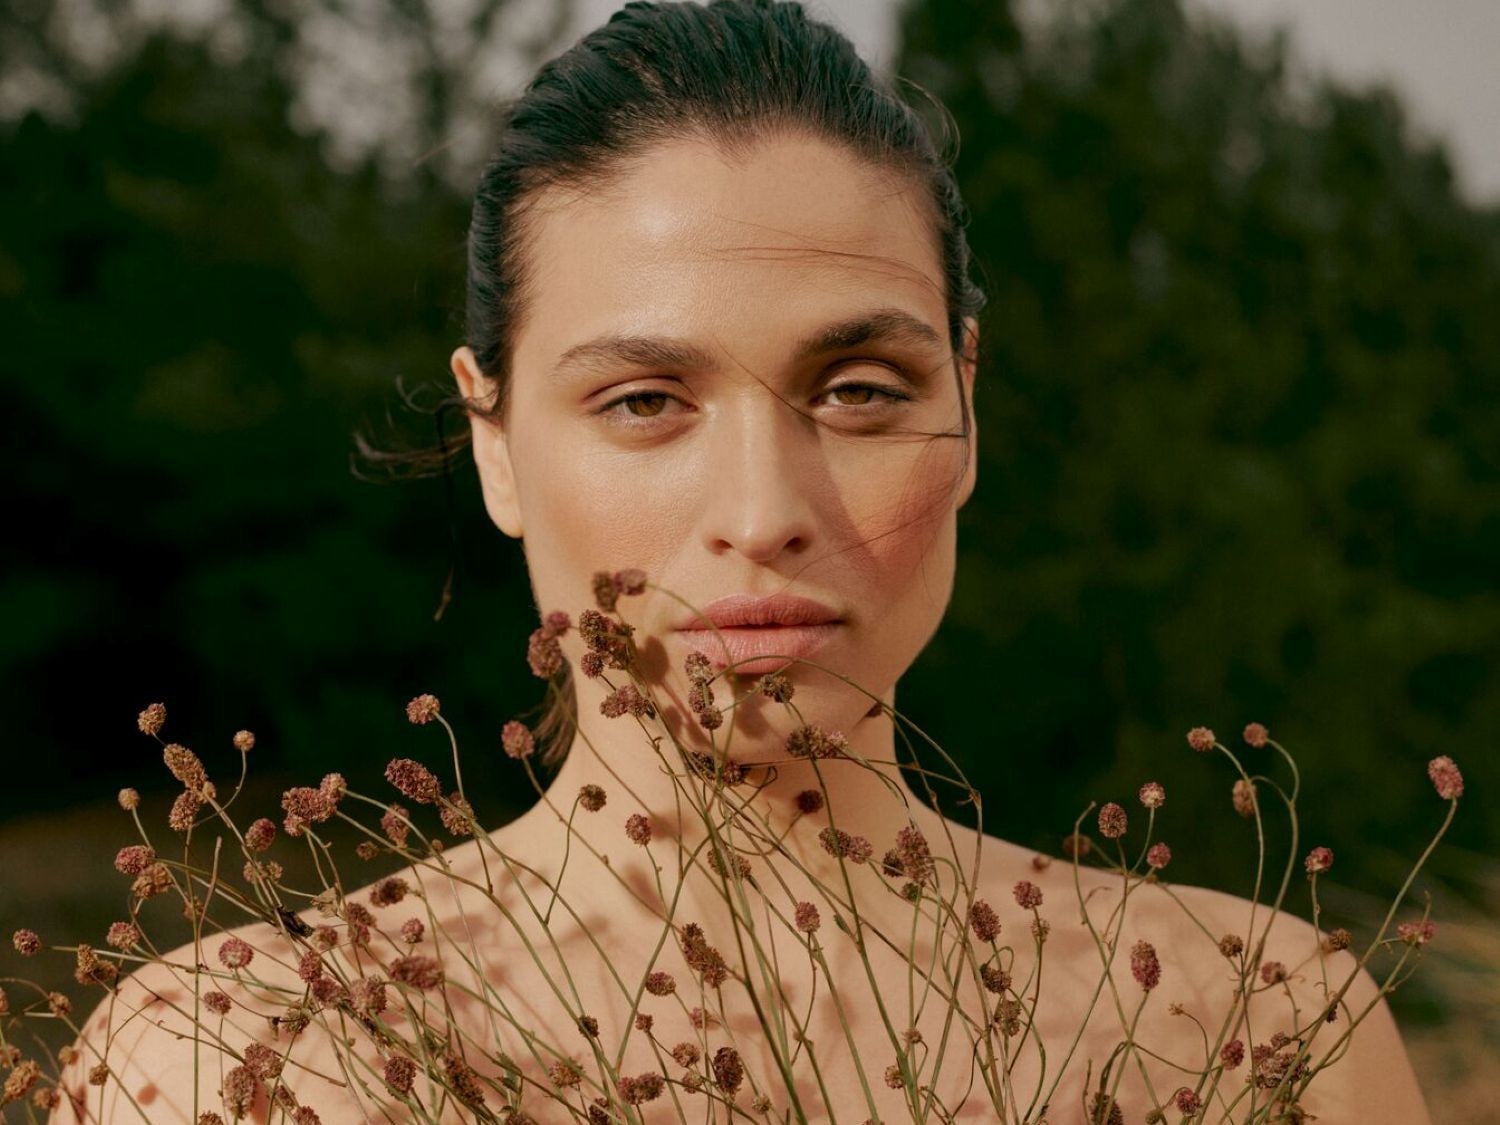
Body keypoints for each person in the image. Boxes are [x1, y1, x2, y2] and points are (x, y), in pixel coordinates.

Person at [54, 2, 1432, 1122]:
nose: (764, 509)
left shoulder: (1259, 1025)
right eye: (646, 402)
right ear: (494, 444)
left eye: (857, 390)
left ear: (967, 401)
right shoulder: (247, 1054)